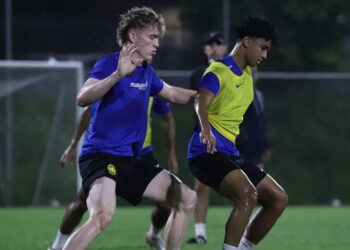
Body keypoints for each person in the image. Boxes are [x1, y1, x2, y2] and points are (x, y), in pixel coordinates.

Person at [62, 7, 197, 250]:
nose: (157, 44)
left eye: (158, 39)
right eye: (152, 37)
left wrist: (206, 98)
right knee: (102, 216)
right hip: (101, 156)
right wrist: (116, 75)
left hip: (133, 159)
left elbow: (173, 94)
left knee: (187, 198)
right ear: (133, 37)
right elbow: (82, 98)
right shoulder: (109, 64)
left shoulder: (147, 71)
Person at [187, 16, 288, 250]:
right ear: (246, 42)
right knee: (248, 195)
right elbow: (200, 100)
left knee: (278, 199)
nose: (264, 55)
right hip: (205, 152)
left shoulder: (248, 79)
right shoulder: (219, 69)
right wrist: (205, 130)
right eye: (263, 47)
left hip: (229, 153)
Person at [48, 96, 177, 250]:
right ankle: (57, 246)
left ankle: (153, 236)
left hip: (141, 157)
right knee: (83, 203)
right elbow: (88, 111)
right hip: (111, 154)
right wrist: (73, 144)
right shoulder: (113, 82)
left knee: (168, 201)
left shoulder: (154, 84)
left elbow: (168, 119)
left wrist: (171, 152)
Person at [187, 31, 228, 245]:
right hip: (206, 135)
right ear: (205, 49)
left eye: (218, 44)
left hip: (230, 136)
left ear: (225, 48)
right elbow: (201, 102)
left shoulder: (236, 72)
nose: (214, 47)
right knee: (201, 186)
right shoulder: (199, 73)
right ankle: (200, 232)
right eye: (210, 44)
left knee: (241, 186)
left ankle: (244, 232)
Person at [236, 69, 271, 170]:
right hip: (242, 146)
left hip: (255, 147)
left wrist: (265, 145)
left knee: (257, 178)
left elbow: (261, 121)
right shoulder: (238, 95)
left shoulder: (258, 95)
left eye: (254, 73)